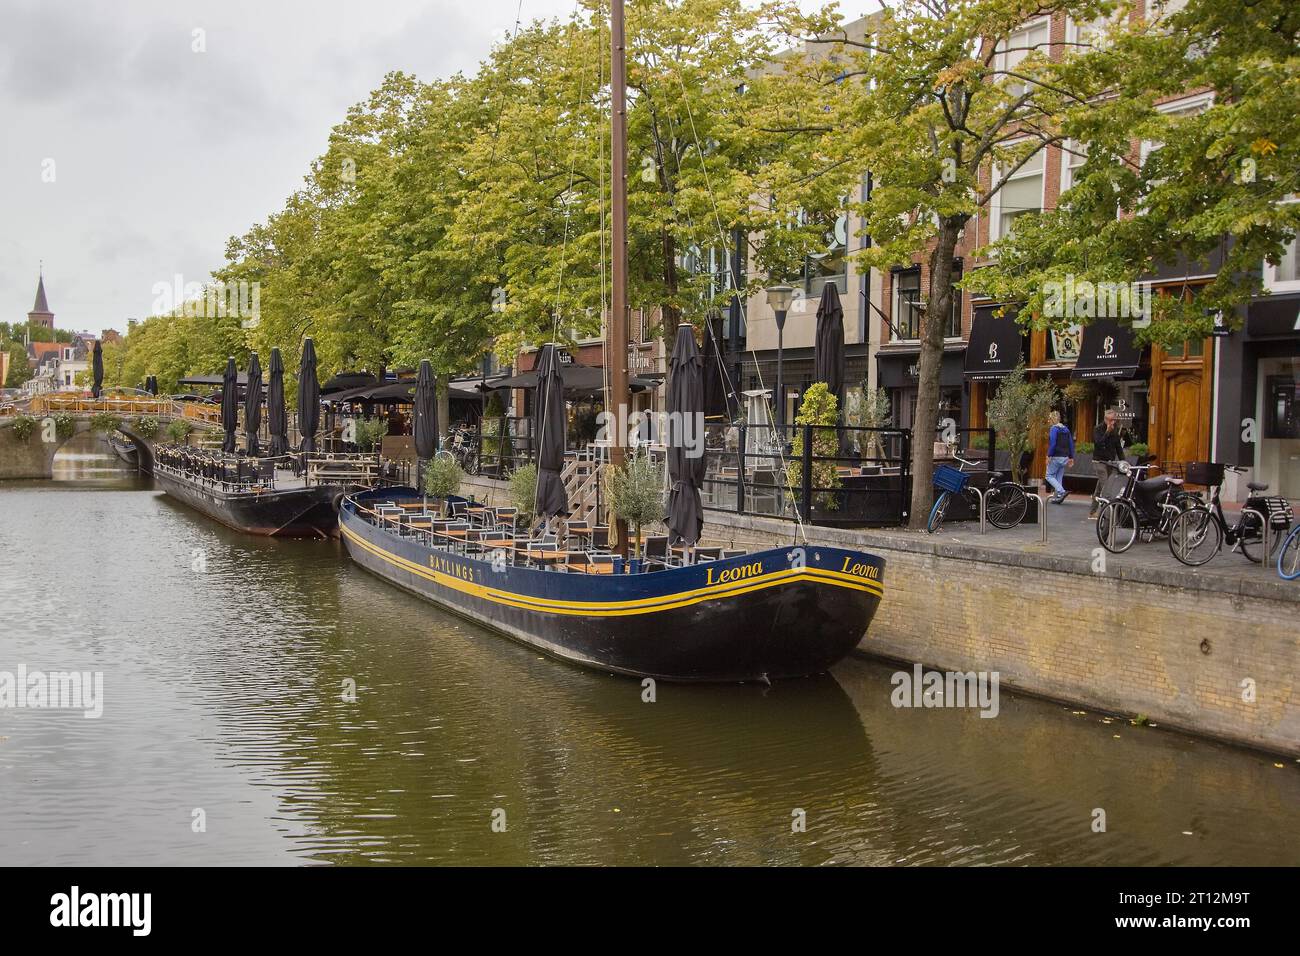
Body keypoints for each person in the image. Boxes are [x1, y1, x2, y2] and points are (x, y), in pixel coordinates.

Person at [1090, 408, 1125, 519]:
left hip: (1110, 462)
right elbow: (1098, 443)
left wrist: (1123, 461)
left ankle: (1092, 511)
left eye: (1114, 420)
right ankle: (1106, 514)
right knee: (1106, 486)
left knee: (1100, 488)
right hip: (1099, 461)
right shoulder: (1098, 429)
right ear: (1105, 419)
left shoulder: (1115, 432)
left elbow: (1118, 448)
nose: (1112, 422)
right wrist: (1107, 432)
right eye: (1110, 420)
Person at [1044, 410, 1073, 504]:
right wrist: (1071, 457)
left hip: (1056, 456)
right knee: (1058, 476)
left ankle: (1061, 491)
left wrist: (1049, 455)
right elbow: (1071, 444)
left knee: (1049, 476)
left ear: (1052, 419)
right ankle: (1058, 497)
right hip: (1065, 457)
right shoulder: (1066, 429)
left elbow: (1053, 443)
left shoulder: (1054, 429)